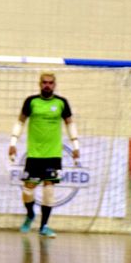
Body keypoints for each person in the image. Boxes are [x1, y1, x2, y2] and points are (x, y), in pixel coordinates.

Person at [8, 72, 79, 238]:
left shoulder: (61, 103)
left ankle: (44, 226)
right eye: (44, 82)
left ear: (55, 85)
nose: (47, 85)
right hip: (34, 155)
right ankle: (30, 214)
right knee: (27, 190)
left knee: (49, 191)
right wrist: (12, 143)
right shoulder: (31, 101)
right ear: (40, 84)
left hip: (53, 155)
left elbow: (70, 124)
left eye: (50, 83)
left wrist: (76, 146)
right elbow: (20, 122)